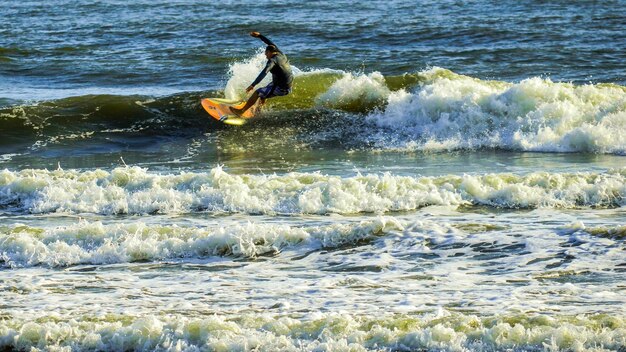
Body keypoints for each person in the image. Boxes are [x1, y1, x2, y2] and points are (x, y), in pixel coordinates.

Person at [230, 32, 293, 116]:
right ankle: (258, 112)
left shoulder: (272, 61)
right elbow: (270, 43)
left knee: (257, 92)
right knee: (263, 94)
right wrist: (259, 36)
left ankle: (241, 111)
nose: (266, 56)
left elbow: (264, 72)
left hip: (281, 88)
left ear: (270, 52)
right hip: (285, 84)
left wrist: (253, 85)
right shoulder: (280, 53)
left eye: (266, 53)